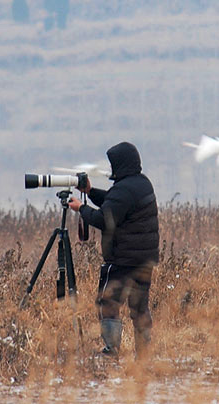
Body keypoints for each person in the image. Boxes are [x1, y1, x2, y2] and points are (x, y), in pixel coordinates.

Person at [68, 141, 159, 358]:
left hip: (121, 261)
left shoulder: (124, 189)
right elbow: (114, 202)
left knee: (107, 303)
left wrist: (81, 208)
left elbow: (104, 218)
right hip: (144, 260)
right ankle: (144, 357)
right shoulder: (141, 184)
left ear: (119, 164)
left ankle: (111, 352)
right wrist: (89, 192)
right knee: (139, 309)